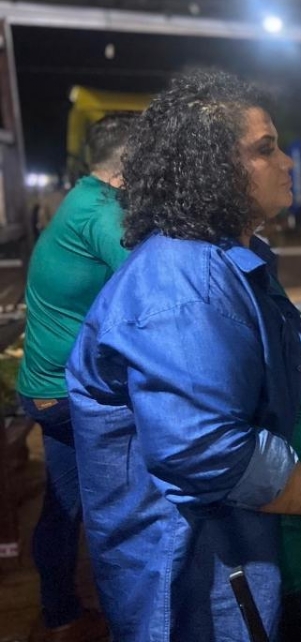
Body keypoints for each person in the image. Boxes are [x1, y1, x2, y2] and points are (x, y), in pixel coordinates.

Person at [66, 70, 301, 641]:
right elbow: (203, 450)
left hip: (270, 551)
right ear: (210, 167)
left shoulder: (232, 253)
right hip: (212, 584)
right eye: (265, 149)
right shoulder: (183, 283)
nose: (287, 162)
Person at [17, 113, 139, 642]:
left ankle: (59, 609)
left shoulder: (84, 198)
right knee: (124, 504)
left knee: (65, 503)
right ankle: (128, 620)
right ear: (131, 165)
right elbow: (153, 283)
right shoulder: (103, 215)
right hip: (69, 394)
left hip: (47, 386)